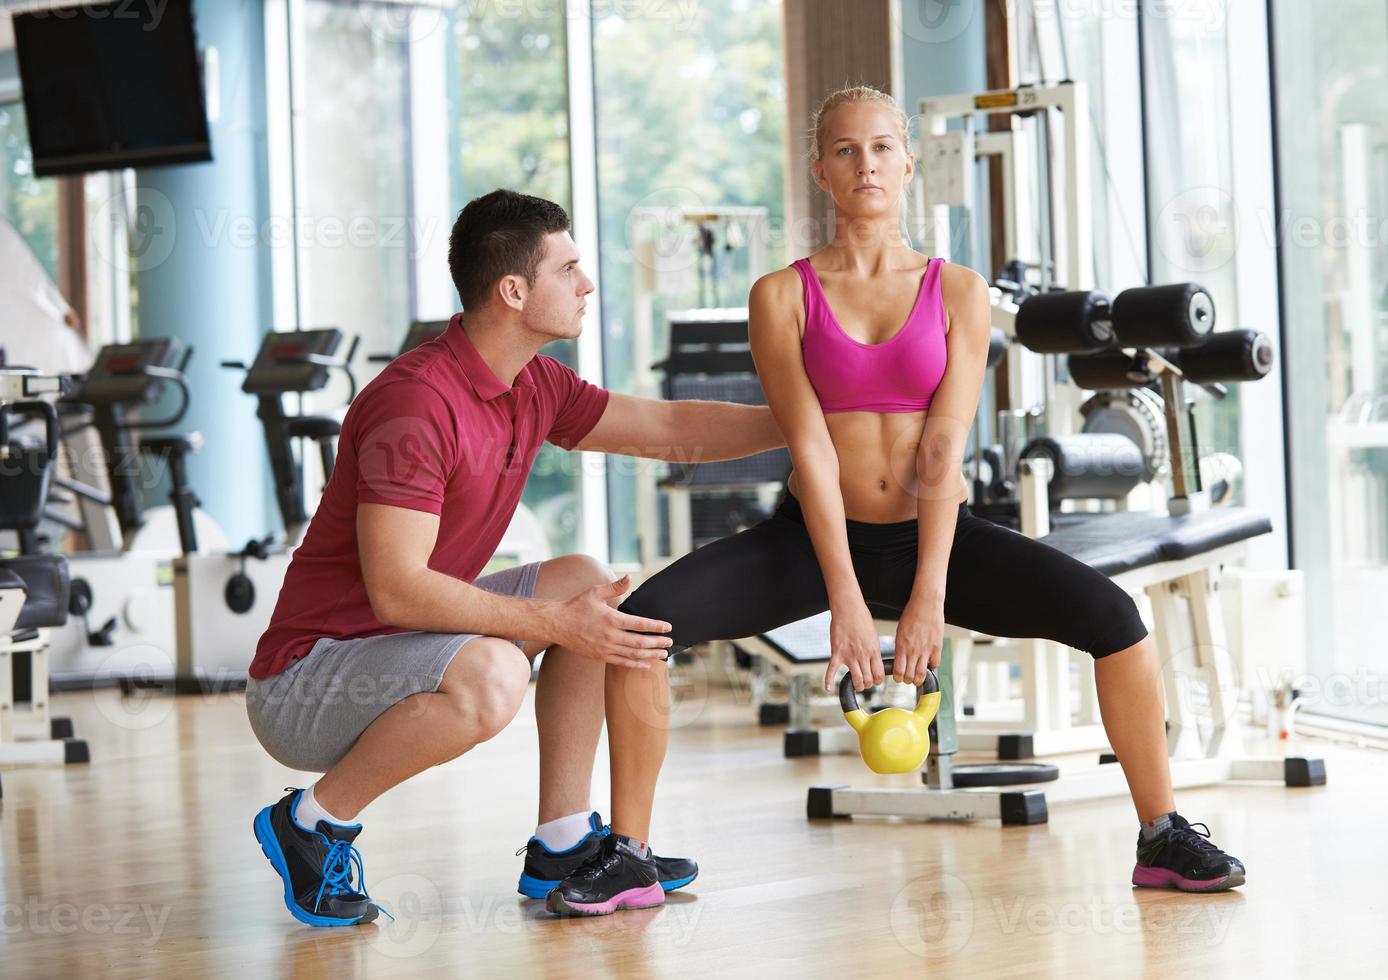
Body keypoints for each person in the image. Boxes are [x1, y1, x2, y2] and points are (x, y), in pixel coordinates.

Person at [613, 86, 1245, 896]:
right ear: (821, 173)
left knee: (1117, 622)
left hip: (935, 534)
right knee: (638, 630)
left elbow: (944, 442)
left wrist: (928, 592)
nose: (865, 163)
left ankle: (1160, 834)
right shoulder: (781, 295)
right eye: (845, 150)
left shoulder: (958, 291)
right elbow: (807, 445)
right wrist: (843, 596)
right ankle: (628, 851)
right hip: (814, 536)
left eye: (881, 148)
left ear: (908, 163)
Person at [246, 189, 785, 926]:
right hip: (307, 682)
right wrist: (555, 625)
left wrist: (802, 421)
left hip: (391, 648)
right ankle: (309, 823)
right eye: (569, 269)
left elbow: (664, 426)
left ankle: (562, 840)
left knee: (587, 584)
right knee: (497, 673)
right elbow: (399, 591)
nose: (586, 284)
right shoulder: (417, 404)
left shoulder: (533, 381)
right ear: (513, 290)